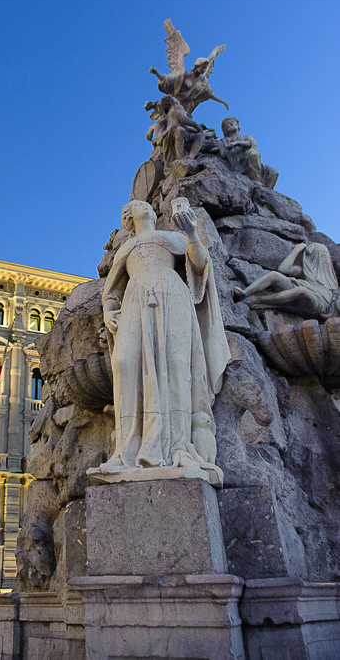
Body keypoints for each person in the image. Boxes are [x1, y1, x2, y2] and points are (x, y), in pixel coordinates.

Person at [97, 200, 229, 474]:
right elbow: (111, 291)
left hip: (172, 294)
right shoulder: (125, 248)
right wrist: (109, 311)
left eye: (146, 204)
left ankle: (176, 446)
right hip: (135, 298)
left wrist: (191, 234)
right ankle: (127, 449)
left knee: (176, 363)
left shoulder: (173, 238)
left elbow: (200, 265)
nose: (145, 206)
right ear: (128, 218)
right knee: (123, 361)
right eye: (137, 205)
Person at [235, 242, 338, 317]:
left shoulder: (331, 281)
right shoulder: (303, 270)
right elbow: (283, 269)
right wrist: (296, 249)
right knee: (274, 275)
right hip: (297, 286)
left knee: (301, 291)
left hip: (317, 303)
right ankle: (246, 292)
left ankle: (259, 299)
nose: (322, 257)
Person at [218, 116, 278, 189]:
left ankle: (265, 193)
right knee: (253, 153)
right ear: (224, 130)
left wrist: (236, 143)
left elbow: (251, 144)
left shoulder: (246, 137)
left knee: (273, 173)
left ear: (238, 126)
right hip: (236, 166)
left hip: (252, 163)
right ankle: (255, 180)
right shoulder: (222, 141)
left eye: (233, 122)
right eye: (228, 123)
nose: (231, 123)